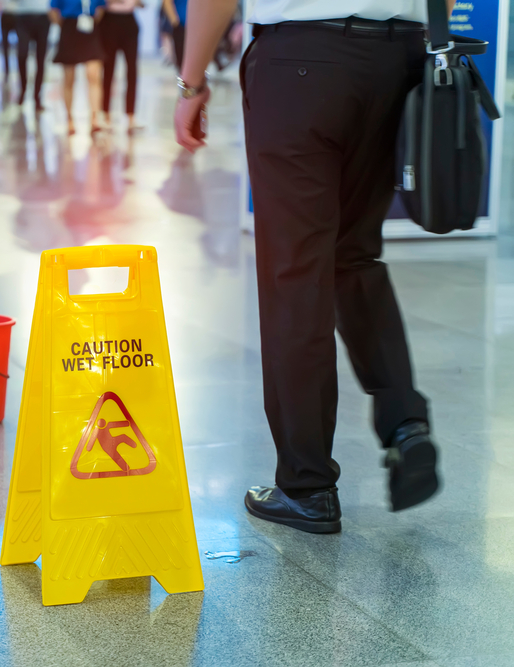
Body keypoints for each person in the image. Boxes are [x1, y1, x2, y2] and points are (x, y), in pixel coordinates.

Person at [175, 0, 443, 534]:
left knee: (295, 271)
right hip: (398, 61)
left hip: (300, 63)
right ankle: (405, 423)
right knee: (356, 253)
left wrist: (191, 83)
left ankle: (307, 485)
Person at [50, 0, 105, 135]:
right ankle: (69, 119)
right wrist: (66, 25)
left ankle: (94, 118)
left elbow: (101, 8)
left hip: (89, 26)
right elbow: (53, 11)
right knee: (69, 77)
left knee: (94, 74)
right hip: (70, 26)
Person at [99, 0, 140, 132]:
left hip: (129, 20)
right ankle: (105, 114)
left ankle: (131, 116)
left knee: (132, 70)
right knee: (108, 68)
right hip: (110, 21)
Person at [6, 0, 51, 109]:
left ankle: (37, 96)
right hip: (23, 16)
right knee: (22, 55)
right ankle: (23, 90)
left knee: (41, 59)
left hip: (43, 16)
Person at [161, 0, 185, 72]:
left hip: (196, 27)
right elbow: (166, 2)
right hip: (181, 26)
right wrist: (175, 23)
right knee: (182, 61)